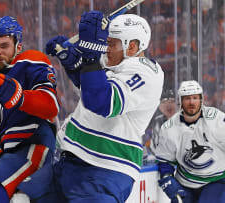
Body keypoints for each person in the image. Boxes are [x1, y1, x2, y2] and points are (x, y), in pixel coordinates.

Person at [45, 11, 164, 202]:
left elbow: (101, 101)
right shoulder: (113, 60)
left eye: (111, 44)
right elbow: (90, 85)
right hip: (71, 161)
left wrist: (89, 57)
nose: (105, 48)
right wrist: (73, 62)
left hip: (105, 169)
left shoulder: (147, 72)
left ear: (131, 47)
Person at [0, 16, 59, 202]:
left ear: (18, 46)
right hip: (11, 153)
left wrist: (19, 96)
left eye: (4, 46)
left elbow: (50, 106)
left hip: (34, 145)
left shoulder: (31, 60)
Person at [154, 80, 225, 203]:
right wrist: (167, 178)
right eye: (187, 98)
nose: (191, 102)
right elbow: (165, 161)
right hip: (185, 183)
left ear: (201, 100)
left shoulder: (216, 119)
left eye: (195, 98)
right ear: (181, 101)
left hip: (216, 179)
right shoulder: (169, 128)